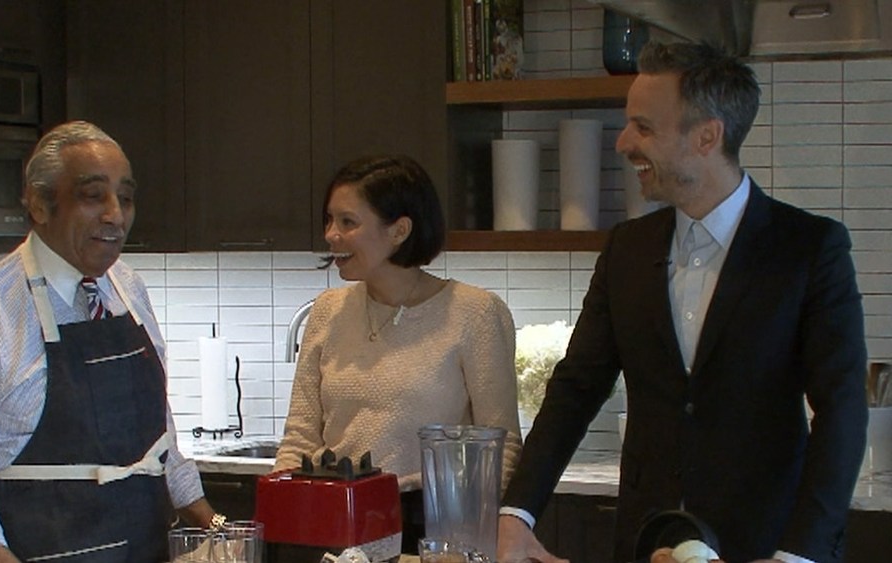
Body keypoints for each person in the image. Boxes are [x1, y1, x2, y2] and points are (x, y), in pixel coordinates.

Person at [497, 42, 868, 563]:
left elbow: (842, 409)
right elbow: (575, 389)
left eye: (643, 127)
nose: (623, 142)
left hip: (767, 546)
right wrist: (516, 514)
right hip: (647, 543)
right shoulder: (626, 249)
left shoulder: (809, 249)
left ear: (707, 136)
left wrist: (799, 554)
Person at [0, 120, 224, 562]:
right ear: (40, 204)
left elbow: (161, 444)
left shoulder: (128, 291)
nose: (116, 215)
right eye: (94, 196)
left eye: (126, 198)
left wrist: (222, 533)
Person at [273, 154, 523, 550]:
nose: (331, 235)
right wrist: (284, 523)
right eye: (329, 220)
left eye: (348, 222)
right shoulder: (326, 312)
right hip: (335, 524)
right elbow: (300, 438)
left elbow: (502, 447)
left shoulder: (474, 314)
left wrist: (465, 540)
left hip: (432, 528)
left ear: (399, 230)